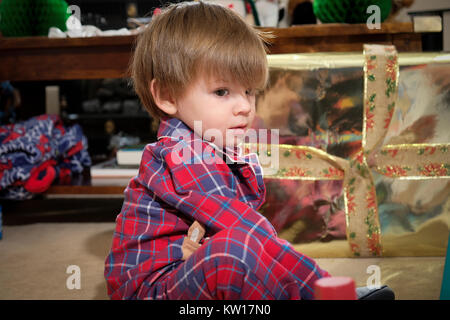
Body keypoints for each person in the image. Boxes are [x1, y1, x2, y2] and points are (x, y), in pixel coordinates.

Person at [105, 1, 394, 300]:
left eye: (249, 91)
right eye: (221, 92)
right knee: (238, 251)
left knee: (243, 255)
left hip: (190, 271)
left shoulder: (217, 145)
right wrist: (321, 286)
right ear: (167, 95)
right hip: (151, 290)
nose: (245, 106)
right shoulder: (183, 153)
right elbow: (249, 232)